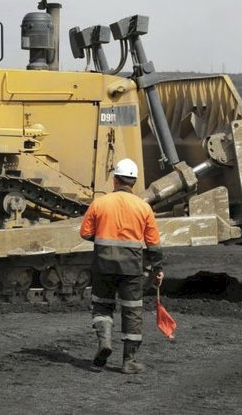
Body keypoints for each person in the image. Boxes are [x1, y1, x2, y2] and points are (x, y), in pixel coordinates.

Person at [79, 158, 164, 374]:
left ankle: (105, 342)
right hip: (131, 269)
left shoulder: (100, 203)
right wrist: (158, 268)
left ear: (115, 180)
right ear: (133, 182)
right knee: (132, 311)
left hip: (103, 266)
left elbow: (85, 233)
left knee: (102, 306)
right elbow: (153, 243)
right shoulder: (143, 207)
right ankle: (129, 361)